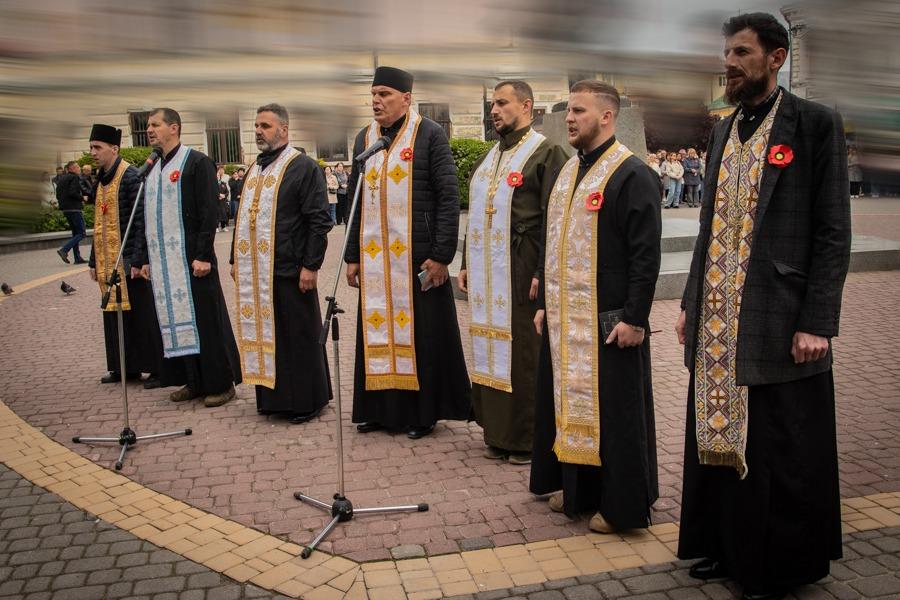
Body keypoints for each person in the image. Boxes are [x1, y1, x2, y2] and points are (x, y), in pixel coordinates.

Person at [675, 13, 851, 600]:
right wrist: (690, 302)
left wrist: (817, 321)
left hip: (781, 316)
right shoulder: (723, 129)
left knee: (779, 445)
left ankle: (777, 567)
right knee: (718, 435)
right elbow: (707, 227)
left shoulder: (813, 123)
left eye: (742, 52)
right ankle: (724, 547)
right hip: (718, 316)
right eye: (727, 52)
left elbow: (832, 230)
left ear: (776, 58)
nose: (729, 62)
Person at [530, 80, 661, 534]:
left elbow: (646, 256)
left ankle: (622, 506)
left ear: (606, 117)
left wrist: (635, 318)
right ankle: (580, 489)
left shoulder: (632, 173)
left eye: (579, 111)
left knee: (616, 415)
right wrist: (545, 303)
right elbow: (552, 242)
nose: (569, 118)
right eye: (568, 110)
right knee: (570, 405)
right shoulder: (570, 171)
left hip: (610, 321)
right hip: (567, 318)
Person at [345, 66, 471, 440]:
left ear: (406, 98)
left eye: (384, 94)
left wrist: (442, 255)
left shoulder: (429, 134)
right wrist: (352, 255)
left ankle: (423, 414)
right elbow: (354, 200)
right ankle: (379, 411)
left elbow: (448, 196)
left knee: (423, 337)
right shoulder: (364, 138)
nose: (376, 101)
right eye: (373, 94)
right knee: (376, 332)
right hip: (376, 262)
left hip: (418, 259)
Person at [457, 80, 568, 465]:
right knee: (488, 345)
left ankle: (526, 439)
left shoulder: (546, 152)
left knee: (523, 352)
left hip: (523, 270)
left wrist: (542, 269)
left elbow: (556, 219)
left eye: (502, 103)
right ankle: (497, 432)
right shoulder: (489, 157)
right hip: (488, 271)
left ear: (527, 106)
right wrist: (466, 263)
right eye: (492, 104)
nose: (494, 111)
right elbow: (476, 215)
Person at [230, 103, 333, 423]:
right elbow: (242, 218)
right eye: (256, 126)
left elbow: (319, 221)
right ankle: (273, 400)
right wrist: (234, 258)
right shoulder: (255, 169)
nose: (258, 131)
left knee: (298, 338)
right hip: (259, 271)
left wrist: (311, 265)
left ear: (284, 130)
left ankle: (307, 402)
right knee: (270, 337)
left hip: (292, 269)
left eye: (266, 126)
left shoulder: (303, 167)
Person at [132, 107, 242, 407]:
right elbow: (146, 217)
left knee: (206, 322)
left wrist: (204, 254)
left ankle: (221, 383)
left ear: (174, 128)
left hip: (194, 260)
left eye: (156, 125)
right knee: (176, 320)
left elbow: (208, 212)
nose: (150, 130)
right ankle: (192, 381)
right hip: (165, 264)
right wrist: (143, 258)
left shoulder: (196, 162)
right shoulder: (153, 169)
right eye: (148, 125)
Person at [87, 124, 167, 389]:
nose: (93, 153)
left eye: (97, 147)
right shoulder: (101, 179)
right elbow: (98, 223)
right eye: (91, 147)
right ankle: (124, 367)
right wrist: (93, 260)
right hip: (108, 260)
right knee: (114, 314)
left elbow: (141, 220)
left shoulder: (131, 176)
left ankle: (156, 368)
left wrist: (138, 258)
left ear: (114, 148)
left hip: (130, 259)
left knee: (142, 316)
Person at [55, 161, 88, 264]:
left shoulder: (62, 178)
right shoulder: (74, 177)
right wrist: (82, 198)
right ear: (72, 168)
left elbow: (58, 194)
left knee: (75, 233)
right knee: (81, 233)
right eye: (77, 167)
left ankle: (77, 257)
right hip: (74, 208)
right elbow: (73, 192)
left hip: (66, 209)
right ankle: (64, 250)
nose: (79, 169)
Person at [216, 166, 230, 232]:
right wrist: (218, 195)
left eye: (219, 176)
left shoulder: (223, 183)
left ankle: (223, 226)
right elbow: (212, 191)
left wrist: (224, 195)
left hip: (223, 201)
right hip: (216, 201)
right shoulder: (213, 184)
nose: (218, 177)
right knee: (217, 214)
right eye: (217, 175)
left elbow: (227, 192)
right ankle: (216, 227)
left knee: (224, 214)